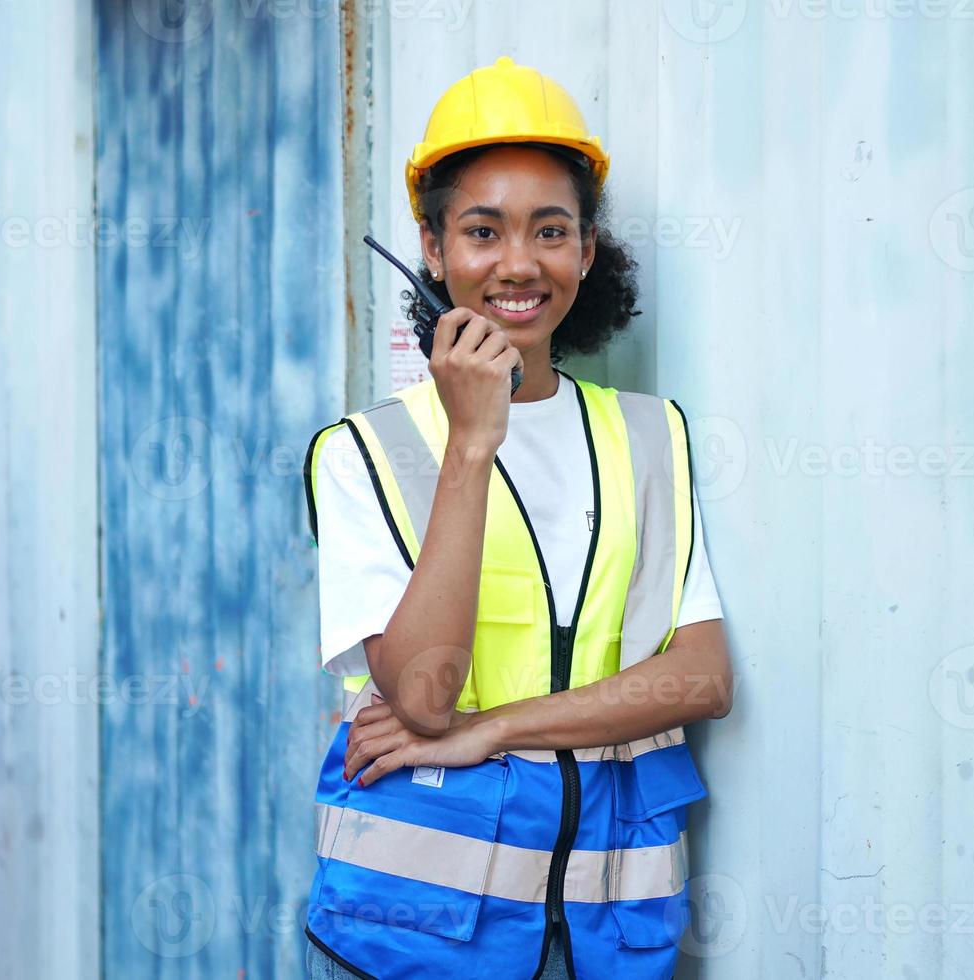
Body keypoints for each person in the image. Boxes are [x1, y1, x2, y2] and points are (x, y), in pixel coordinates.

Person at [301, 56, 734, 980]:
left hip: (611, 934)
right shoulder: (364, 453)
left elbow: (699, 679)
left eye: (550, 230)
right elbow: (421, 693)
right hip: (416, 940)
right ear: (432, 251)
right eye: (481, 231)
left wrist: (490, 728)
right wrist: (471, 443)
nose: (517, 264)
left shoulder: (650, 437)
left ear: (584, 250)